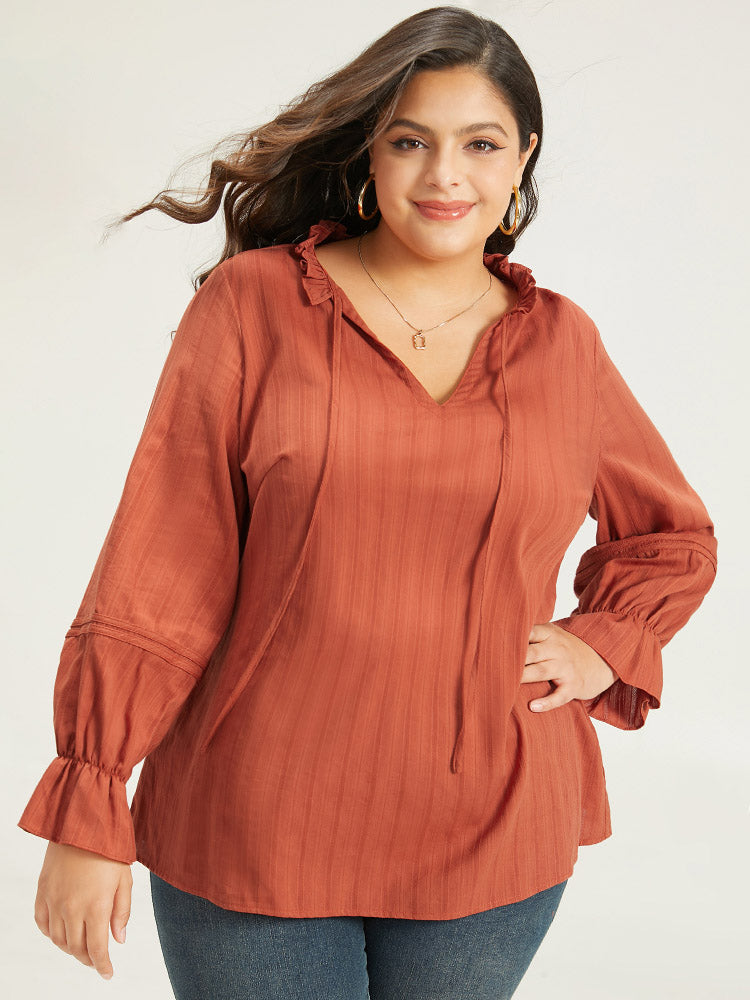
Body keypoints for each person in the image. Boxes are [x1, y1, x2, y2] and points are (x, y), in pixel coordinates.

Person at [18, 6, 718, 999]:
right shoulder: (255, 305)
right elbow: (163, 562)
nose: (444, 176)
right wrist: (91, 793)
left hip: (495, 826)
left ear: (523, 156)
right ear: (369, 154)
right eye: (409, 141)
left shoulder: (563, 344)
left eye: (480, 144)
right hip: (256, 817)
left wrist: (605, 639)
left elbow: (672, 536)